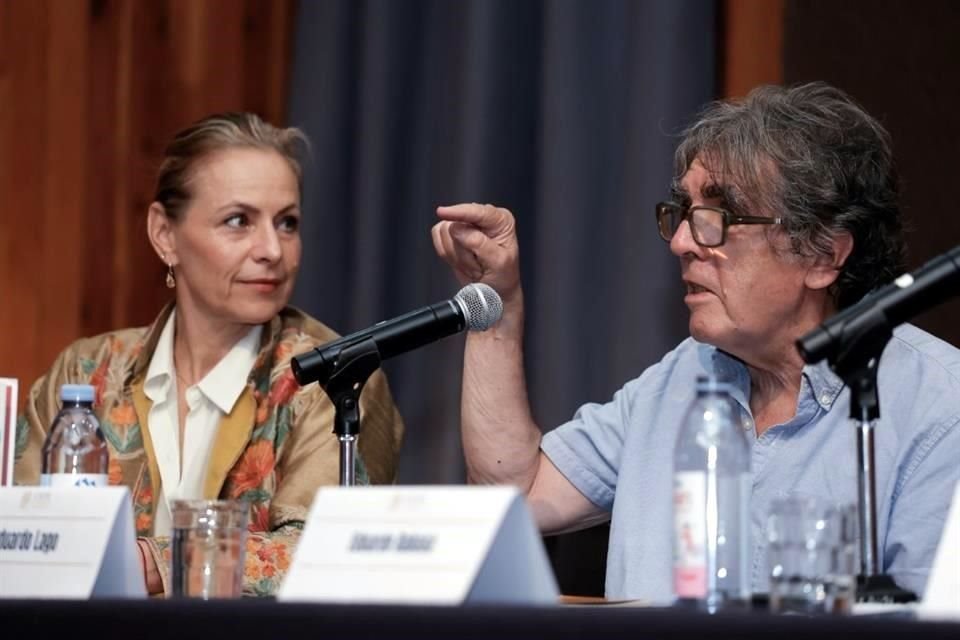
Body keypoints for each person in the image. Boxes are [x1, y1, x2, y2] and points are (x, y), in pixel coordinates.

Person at [431, 82, 960, 603]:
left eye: (718, 218)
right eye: (683, 213)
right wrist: (495, 307)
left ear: (823, 255)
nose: (682, 242)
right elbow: (517, 495)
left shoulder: (938, 409)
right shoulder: (683, 376)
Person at [14, 112, 405, 597]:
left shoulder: (337, 374)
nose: (272, 250)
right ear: (164, 234)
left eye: (287, 223)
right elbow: (22, 536)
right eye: (238, 221)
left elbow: (327, 552)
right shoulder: (87, 371)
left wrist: (153, 561)